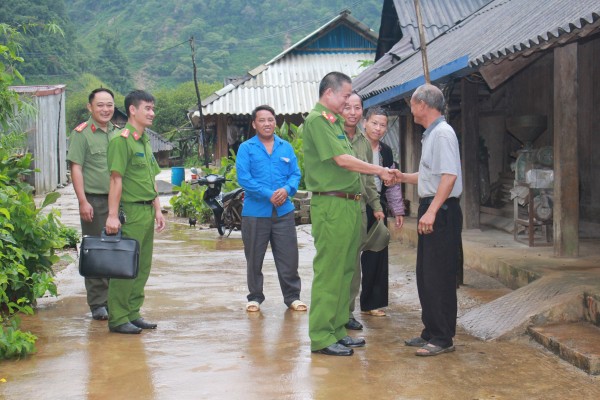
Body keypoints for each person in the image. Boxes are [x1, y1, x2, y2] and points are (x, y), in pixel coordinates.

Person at [303, 71, 397, 356]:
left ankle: (336, 329)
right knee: (329, 272)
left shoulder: (333, 124)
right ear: (329, 93)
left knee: (345, 271)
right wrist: (379, 169)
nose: (348, 103)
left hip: (348, 204)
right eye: (345, 96)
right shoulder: (317, 121)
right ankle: (321, 336)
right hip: (332, 204)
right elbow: (343, 160)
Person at [399, 84, 463, 356]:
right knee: (427, 275)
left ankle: (442, 338)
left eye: (412, 103)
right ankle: (431, 330)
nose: (410, 109)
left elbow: (449, 177)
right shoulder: (432, 134)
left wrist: (432, 210)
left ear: (423, 105)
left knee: (439, 275)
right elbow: (430, 177)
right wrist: (401, 177)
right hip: (434, 206)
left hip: (442, 210)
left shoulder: (443, 134)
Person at [105, 90, 166, 334]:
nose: (152, 113)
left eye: (153, 108)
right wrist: (112, 215)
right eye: (147, 108)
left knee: (142, 266)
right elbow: (115, 180)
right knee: (124, 265)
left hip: (146, 211)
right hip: (130, 211)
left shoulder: (143, 140)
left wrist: (158, 209)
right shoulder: (121, 140)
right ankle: (118, 317)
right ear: (133, 110)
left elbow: (151, 179)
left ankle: (132, 312)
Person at [236, 105, 306, 313]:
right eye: (262, 120)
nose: (267, 124)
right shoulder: (246, 148)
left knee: (288, 257)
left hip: (283, 212)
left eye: (270, 119)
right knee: (254, 258)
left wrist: (286, 190)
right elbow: (244, 178)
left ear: (275, 122)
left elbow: (295, 174)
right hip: (255, 212)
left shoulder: (286, 147)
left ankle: (292, 297)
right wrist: (269, 194)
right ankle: (255, 297)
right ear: (254, 124)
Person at [66, 88, 116, 321]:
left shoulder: (118, 133)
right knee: (97, 252)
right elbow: (76, 168)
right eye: (100, 105)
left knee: (117, 251)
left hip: (118, 200)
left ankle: (116, 300)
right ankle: (98, 303)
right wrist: (83, 201)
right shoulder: (82, 134)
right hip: (94, 201)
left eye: (109, 105)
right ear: (90, 107)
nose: (105, 109)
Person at [341, 93, 384, 331]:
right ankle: (334, 315)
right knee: (336, 265)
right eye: (347, 107)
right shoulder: (333, 136)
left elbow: (368, 181)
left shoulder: (363, 143)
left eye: (357, 108)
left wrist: (376, 207)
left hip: (359, 208)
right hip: (336, 207)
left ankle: (347, 312)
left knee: (353, 266)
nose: (352, 112)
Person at [360, 107, 405, 317]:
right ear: (365, 123)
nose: (378, 128)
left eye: (383, 125)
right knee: (350, 255)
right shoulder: (354, 147)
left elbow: (393, 182)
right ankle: (346, 305)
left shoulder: (386, 151)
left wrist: (397, 210)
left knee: (377, 254)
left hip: (377, 207)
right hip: (355, 204)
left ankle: (372, 303)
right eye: (374, 123)